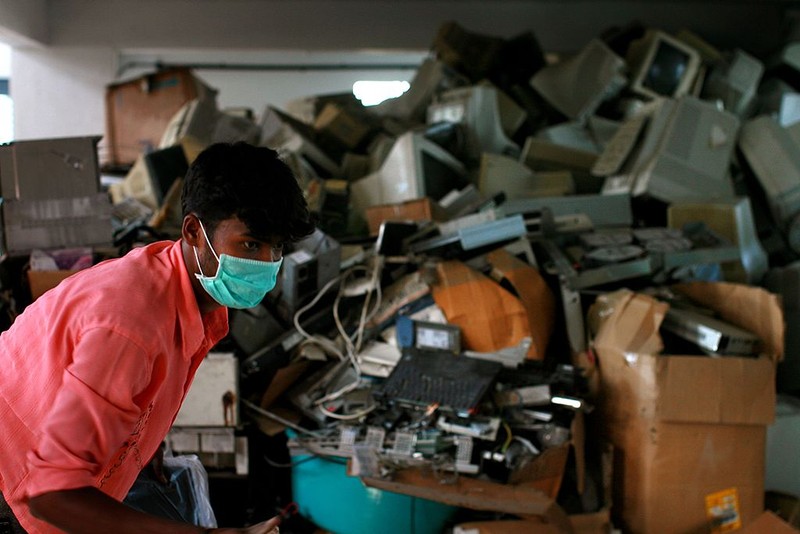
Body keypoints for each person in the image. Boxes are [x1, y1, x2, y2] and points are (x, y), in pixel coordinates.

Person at [0, 142, 315, 533]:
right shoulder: (132, 324)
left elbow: (130, 386)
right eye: (250, 244)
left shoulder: (189, 292)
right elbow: (52, 496)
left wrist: (139, 437)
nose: (266, 263)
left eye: (277, 248)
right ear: (193, 231)